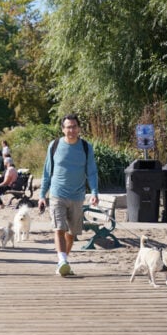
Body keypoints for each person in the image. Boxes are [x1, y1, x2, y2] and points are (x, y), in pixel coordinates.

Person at [38, 114, 99, 277]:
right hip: (57, 193)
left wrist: (94, 192)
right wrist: (42, 194)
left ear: (78, 128)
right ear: (63, 129)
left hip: (78, 196)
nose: (71, 130)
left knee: (71, 233)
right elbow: (46, 172)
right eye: (68, 127)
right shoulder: (55, 145)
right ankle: (63, 261)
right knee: (59, 228)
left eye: (74, 126)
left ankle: (63, 261)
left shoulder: (86, 147)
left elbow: (92, 172)